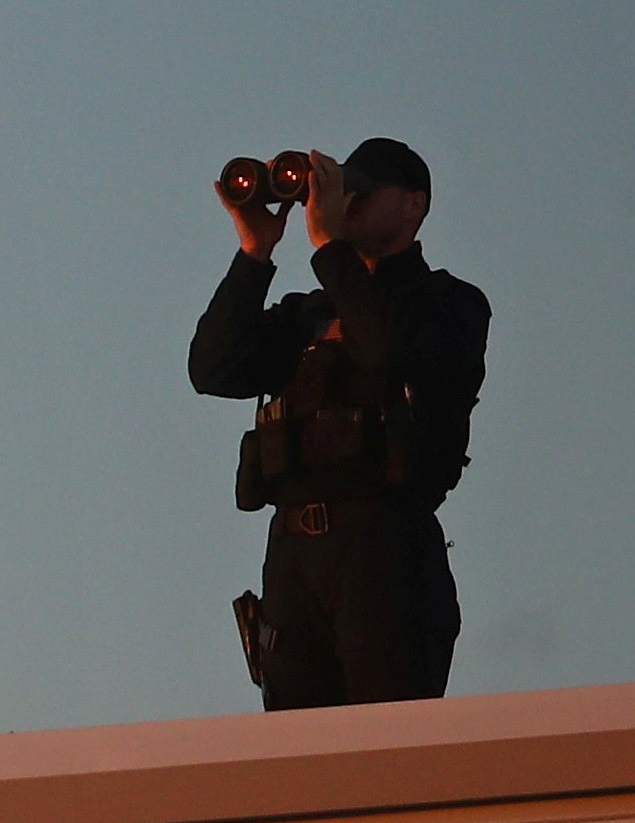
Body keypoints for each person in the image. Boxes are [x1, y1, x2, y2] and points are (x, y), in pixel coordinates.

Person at [189, 139, 488, 709]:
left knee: (388, 749)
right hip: (295, 558)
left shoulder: (449, 304)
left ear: (413, 205)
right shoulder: (308, 313)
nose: (344, 205)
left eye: (362, 194)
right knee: (300, 761)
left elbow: (388, 348)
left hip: (385, 552)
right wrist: (256, 252)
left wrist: (329, 247)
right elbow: (213, 368)